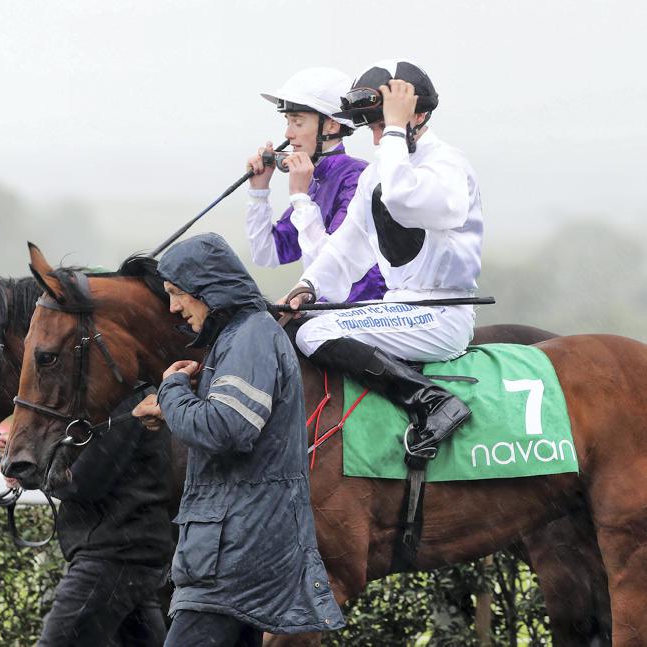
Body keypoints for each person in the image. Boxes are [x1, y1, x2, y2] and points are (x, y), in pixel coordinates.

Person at [132, 233, 344, 647]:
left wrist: (172, 391)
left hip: (232, 555)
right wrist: (172, 410)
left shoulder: (250, 338)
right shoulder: (242, 336)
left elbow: (225, 429)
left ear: (207, 289)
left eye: (176, 293)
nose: (173, 307)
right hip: (236, 547)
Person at [284, 59, 482, 459]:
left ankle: (433, 403)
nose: (377, 139)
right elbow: (345, 247)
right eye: (374, 129)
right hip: (400, 308)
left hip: (441, 314)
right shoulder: (376, 173)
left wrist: (394, 128)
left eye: (381, 127)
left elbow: (402, 199)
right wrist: (308, 286)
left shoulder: (447, 165)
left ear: (417, 116)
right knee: (299, 324)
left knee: (313, 334)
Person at [0, 389, 172, 647]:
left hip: (111, 558)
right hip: (129, 554)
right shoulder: (130, 396)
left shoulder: (121, 400)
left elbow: (82, 482)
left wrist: (26, 470)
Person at [245, 67, 385, 302]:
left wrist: (300, 198)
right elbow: (266, 253)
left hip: (360, 311)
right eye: (288, 122)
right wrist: (259, 192)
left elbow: (331, 270)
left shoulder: (356, 177)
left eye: (298, 123)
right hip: (324, 310)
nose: (288, 134)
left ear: (331, 126)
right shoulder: (314, 180)